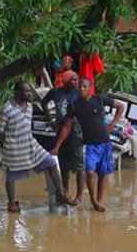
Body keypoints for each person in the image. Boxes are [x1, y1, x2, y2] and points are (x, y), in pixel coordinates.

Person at [0, 81, 74, 212]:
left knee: (50, 162)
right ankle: (11, 203)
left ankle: (60, 193)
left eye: (30, 91)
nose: (30, 94)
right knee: (11, 174)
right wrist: (7, 145)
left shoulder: (30, 107)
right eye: (26, 92)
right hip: (13, 147)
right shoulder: (7, 109)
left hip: (30, 144)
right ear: (17, 93)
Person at [51, 78, 124, 212]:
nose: (81, 89)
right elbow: (66, 127)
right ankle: (93, 199)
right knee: (89, 172)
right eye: (80, 86)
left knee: (103, 173)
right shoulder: (74, 105)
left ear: (90, 87)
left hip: (105, 142)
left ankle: (99, 201)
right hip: (89, 144)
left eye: (84, 87)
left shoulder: (100, 99)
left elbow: (120, 106)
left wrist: (113, 123)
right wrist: (57, 146)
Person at [41, 70, 85, 203]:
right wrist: (50, 119)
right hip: (61, 132)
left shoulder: (79, 94)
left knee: (79, 167)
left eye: (77, 80)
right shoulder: (56, 92)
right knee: (64, 166)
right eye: (73, 80)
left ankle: (79, 196)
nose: (76, 83)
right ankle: (64, 191)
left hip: (77, 134)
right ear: (65, 81)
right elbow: (44, 103)